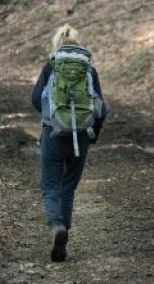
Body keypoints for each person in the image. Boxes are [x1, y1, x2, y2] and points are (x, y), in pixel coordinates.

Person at [32, 24, 107, 262]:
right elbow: (101, 108)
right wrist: (93, 131)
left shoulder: (52, 66)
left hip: (53, 134)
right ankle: (64, 229)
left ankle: (56, 226)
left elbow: (35, 99)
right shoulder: (88, 70)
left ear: (57, 43)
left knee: (50, 185)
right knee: (68, 187)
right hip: (81, 136)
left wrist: (51, 117)